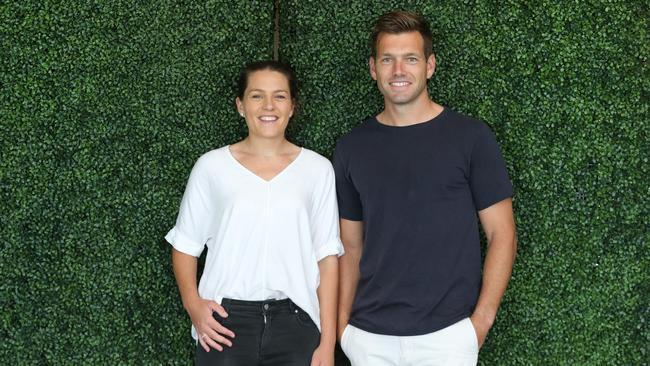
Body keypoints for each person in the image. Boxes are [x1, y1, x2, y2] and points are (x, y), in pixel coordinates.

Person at [334, 10, 517, 366]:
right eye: (388, 59)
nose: (398, 71)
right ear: (373, 68)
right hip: (369, 340)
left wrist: (480, 322)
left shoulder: (470, 138)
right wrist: (344, 331)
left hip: (447, 338)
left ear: (430, 65)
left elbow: (502, 234)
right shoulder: (351, 148)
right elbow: (350, 248)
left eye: (410, 59)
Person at [166, 61, 342, 366]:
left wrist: (327, 344)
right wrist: (193, 305)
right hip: (225, 323)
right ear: (240, 105)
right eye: (257, 96)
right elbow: (185, 245)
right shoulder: (211, 167)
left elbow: (327, 259)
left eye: (280, 96)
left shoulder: (318, 170)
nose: (268, 106)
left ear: (292, 107)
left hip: (297, 322)